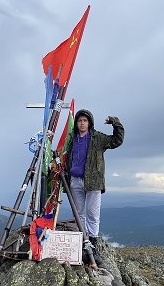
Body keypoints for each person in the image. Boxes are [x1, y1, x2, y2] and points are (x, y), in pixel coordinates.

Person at [65, 109, 124, 265]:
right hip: (75, 181)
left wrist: (115, 122)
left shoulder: (97, 138)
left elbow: (117, 140)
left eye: (85, 120)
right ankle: (83, 243)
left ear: (89, 122)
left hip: (93, 181)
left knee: (92, 213)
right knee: (78, 214)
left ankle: (93, 246)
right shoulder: (72, 139)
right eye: (79, 120)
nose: (82, 123)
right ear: (76, 123)